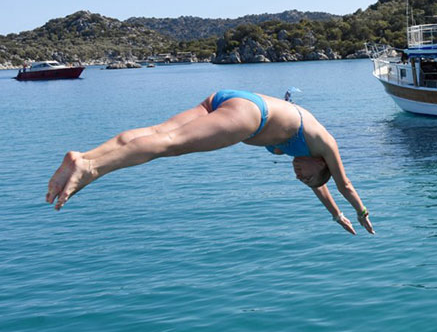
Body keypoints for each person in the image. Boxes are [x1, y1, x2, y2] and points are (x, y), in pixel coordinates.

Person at [45, 89, 375, 235]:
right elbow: (342, 184)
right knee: (170, 145)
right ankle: (91, 170)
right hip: (250, 115)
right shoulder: (324, 143)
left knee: (158, 132)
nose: (299, 176)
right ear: (321, 165)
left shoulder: (304, 156)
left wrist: (336, 216)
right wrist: (361, 213)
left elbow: (322, 190)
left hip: (227, 99)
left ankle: (84, 157)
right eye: (307, 177)